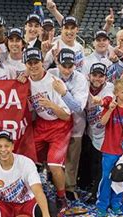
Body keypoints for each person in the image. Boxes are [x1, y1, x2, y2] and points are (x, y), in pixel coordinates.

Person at [24, 47, 72, 215]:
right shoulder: (25, 81)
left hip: (60, 125)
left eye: (36, 62)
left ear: (42, 63)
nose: (33, 66)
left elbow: (67, 115)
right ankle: (29, 194)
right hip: (42, 124)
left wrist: (52, 105)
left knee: (54, 164)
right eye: (29, 63)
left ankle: (61, 197)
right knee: (27, 158)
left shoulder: (54, 82)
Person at [47, 48, 88, 200]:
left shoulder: (80, 79)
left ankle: (69, 188)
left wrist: (63, 93)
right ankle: (55, 185)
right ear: (58, 63)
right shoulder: (50, 74)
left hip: (75, 126)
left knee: (71, 158)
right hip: (53, 125)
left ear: (75, 65)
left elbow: (78, 107)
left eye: (70, 66)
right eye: (64, 65)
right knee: (53, 158)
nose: (67, 69)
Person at [97, 78, 123, 216]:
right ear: (116, 93)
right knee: (106, 178)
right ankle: (102, 204)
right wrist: (110, 110)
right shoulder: (110, 107)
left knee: (120, 177)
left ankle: (116, 203)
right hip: (109, 149)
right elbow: (102, 123)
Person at [79, 63, 114, 204]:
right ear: (89, 76)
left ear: (106, 78)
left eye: (101, 76)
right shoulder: (83, 85)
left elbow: (109, 98)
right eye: (95, 75)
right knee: (88, 160)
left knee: (99, 164)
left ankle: (96, 193)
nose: (97, 79)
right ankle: (86, 185)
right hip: (89, 129)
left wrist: (102, 101)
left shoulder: (109, 87)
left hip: (104, 132)